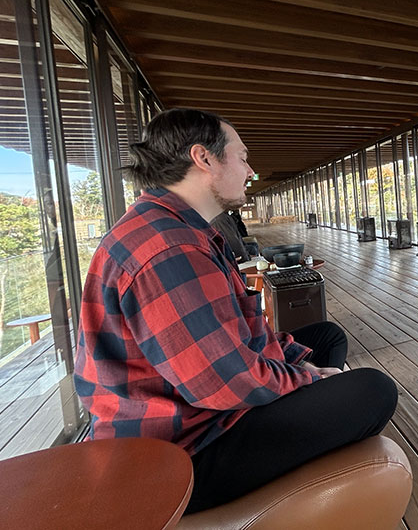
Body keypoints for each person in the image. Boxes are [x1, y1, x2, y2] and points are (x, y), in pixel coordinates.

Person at [73, 108, 398, 513]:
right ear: (204, 159)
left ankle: (302, 441)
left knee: (326, 337)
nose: (249, 170)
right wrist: (306, 380)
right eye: (242, 156)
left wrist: (304, 369)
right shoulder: (169, 248)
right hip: (179, 452)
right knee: (374, 390)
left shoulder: (179, 228)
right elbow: (217, 382)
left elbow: (242, 333)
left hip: (191, 408)